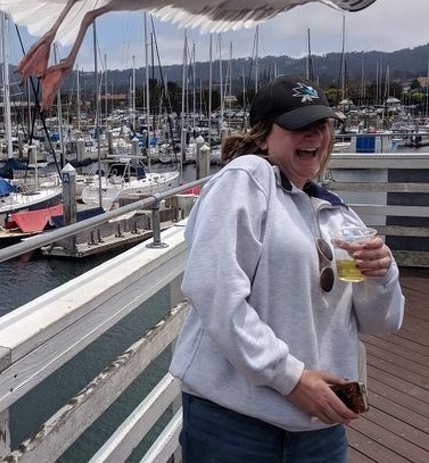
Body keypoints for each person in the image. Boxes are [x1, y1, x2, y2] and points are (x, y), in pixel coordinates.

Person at [169, 74, 404, 463]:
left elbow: (384, 322)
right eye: (298, 126)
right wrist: (291, 378)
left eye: (321, 125)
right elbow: (213, 289)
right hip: (236, 425)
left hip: (319, 430)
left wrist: (382, 275)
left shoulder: (337, 214)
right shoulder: (246, 178)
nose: (313, 135)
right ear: (264, 137)